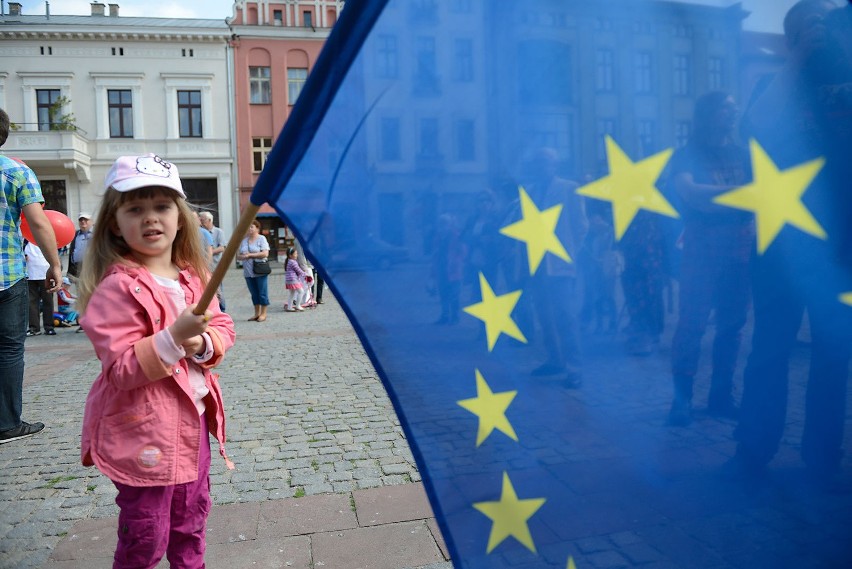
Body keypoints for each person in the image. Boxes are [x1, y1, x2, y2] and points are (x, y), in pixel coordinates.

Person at [76, 153, 236, 568]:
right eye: (136, 208)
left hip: (193, 424)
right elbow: (122, 370)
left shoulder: (192, 279)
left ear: (180, 217)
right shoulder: (116, 288)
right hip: (142, 433)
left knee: (191, 521)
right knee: (146, 534)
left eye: (162, 206)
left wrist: (201, 343)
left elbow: (223, 327)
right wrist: (171, 338)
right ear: (115, 222)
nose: (151, 218)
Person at [729, 0, 852, 485]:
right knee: (770, 346)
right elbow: (754, 126)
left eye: (824, 24)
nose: (819, 31)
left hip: (838, 247)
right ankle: (753, 449)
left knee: (833, 352)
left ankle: (823, 455)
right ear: (791, 34)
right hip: (780, 244)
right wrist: (797, 59)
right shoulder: (773, 83)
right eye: (807, 26)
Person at [666, 91, 754, 426]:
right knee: (692, 323)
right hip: (702, 247)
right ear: (709, 114)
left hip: (741, 247)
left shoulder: (744, 153)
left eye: (735, 107)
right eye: (725, 108)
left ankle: (720, 397)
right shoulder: (688, 154)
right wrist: (745, 195)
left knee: (732, 326)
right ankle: (681, 401)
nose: (733, 112)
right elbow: (691, 194)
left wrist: (719, 197)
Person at [0, 107, 62, 444]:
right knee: (9, 349)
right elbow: (38, 222)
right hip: (7, 274)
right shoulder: (15, 172)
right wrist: (54, 263)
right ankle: (8, 423)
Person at [237, 219, 270, 322]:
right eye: (248, 227)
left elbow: (265, 253)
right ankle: (256, 313)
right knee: (254, 293)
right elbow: (238, 256)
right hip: (248, 271)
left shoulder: (261, 239)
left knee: (262, 292)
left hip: (259, 270)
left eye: (251, 227)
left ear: (257, 228)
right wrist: (242, 257)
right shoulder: (244, 240)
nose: (249, 229)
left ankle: (264, 313)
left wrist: (250, 255)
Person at [24, 241, 57, 336]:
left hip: (45, 271)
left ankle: (49, 326)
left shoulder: (44, 234)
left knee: (48, 301)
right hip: (30, 272)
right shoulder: (24, 238)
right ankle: (34, 328)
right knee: (31, 302)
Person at [199, 211, 227, 311]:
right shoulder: (200, 232)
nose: (201, 222)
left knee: (218, 288)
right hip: (204, 266)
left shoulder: (218, 232)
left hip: (215, 265)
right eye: (200, 220)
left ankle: (222, 309)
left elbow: (222, 248)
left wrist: (208, 252)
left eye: (203, 220)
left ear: (210, 220)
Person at [283, 246, 311, 312]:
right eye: (295, 254)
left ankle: (290, 307)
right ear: (290, 255)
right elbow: (298, 270)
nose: (297, 255)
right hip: (293, 280)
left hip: (289, 280)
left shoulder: (289, 261)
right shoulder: (293, 262)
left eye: (297, 253)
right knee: (301, 291)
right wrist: (306, 274)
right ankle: (298, 305)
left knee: (292, 293)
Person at [67, 211, 93, 281]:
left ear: (91, 221)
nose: (83, 221)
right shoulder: (75, 234)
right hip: (76, 270)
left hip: (92, 269)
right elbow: (72, 252)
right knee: (79, 291)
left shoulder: (97, 234)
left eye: (85, 219)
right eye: (80, 220)